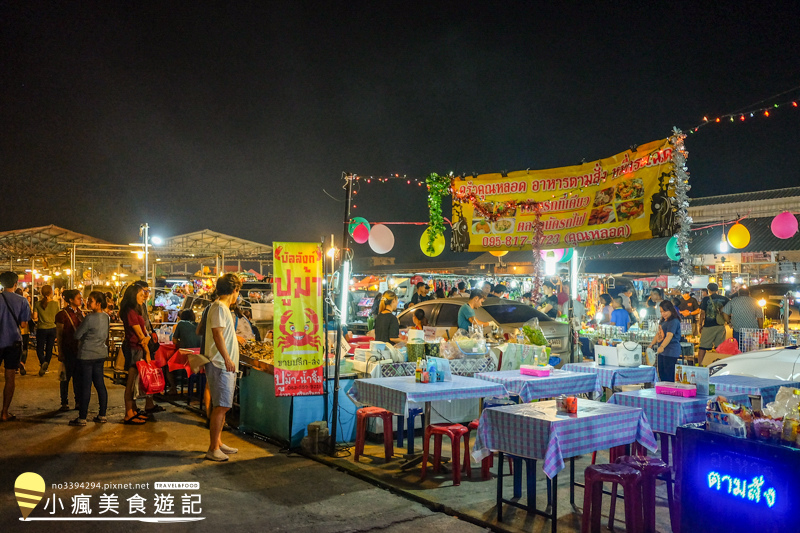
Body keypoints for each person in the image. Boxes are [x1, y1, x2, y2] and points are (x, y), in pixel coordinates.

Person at [204, 274, 242, 462]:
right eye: (238, 291)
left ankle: (218, 442)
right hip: (219, 363)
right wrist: (227, 358)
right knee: (222, 406)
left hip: (223, 363)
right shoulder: (219, 307)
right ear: (235, 290)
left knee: (223, 405)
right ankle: (212, 448)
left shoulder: (223, 308)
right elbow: (217, 335)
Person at [120, 284, 158, 424]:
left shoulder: (136, 310)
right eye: (141, 295)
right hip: (134, 349)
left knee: (135, 382)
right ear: (133, 296)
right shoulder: (130, 312)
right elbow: (141, 336)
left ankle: (133, 411)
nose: (144, 297)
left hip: (138, 348)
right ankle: (128, 413)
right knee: (131, 383)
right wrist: (147, 351)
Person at [71, 291, 110, 426]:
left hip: (87, 354)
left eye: (90, 300)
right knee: (100, 384)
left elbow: (77, 335)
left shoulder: (89, 318)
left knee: (85, 386)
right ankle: (102, 414)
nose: (87, 302)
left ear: (98, 303)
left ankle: (82, 418)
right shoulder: (106, 317)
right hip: (100, 354)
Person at [0, 272, 31, 421]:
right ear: (15, 284)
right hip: (13, 341)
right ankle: (5, 412)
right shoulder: (23, 301)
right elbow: (24, 324)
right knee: (10, 376)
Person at [55, 289, 84, 412]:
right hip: (68, 349)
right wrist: (60, 352)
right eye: (78, 298)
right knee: (66, 377)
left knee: (78, 377)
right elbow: (59, 334)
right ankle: (64, 402)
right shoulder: (62, 314)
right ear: (71, 300)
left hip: (79, 349)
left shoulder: (80, 313)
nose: (81, 300)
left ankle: (78, 401)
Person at [649, 300, 682, 382]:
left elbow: (669, 335)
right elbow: (658, 334)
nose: (663, 314)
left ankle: (670, 392)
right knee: (662, 374)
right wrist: (651, 344)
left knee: (669, 376)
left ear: (670, 310)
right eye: (661, 312)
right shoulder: (663, 321)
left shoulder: (674, 321)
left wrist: (662, 346)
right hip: (662, 352)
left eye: (665, 311)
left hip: (671, 352)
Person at [698, 282, 730, 365]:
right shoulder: (725, 299)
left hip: (708, 326)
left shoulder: (706, 299)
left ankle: (700, 365)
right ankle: (719, 365)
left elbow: (702, 313)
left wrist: (700, 324)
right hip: (720, 325)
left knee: (703, 347)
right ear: (717, 289)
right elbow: (728, 312)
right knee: (719, 347)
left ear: (708, 290)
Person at [33, 284, 59, 377]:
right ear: (51, 292)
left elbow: (35, 317)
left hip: (41, 329)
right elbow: (57, 318)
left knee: (39, 348)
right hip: (52, 328)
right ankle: (46, 366)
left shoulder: (37, 304)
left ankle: (43, 362)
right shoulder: (56, 304)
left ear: (41, 293)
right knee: (49, 348)